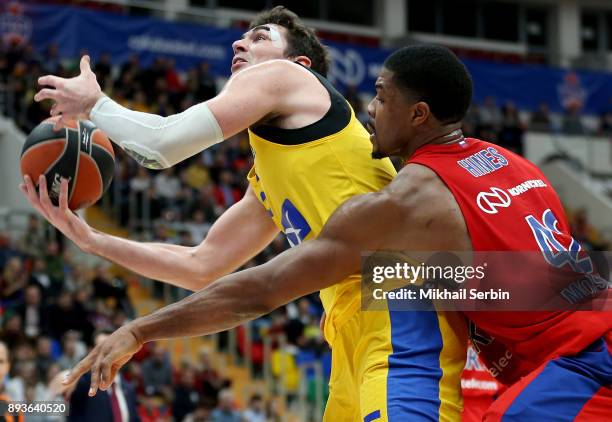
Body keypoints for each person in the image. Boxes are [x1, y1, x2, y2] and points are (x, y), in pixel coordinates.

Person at [58, 45, 611, 421]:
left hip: (579, 359)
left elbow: (259, 290)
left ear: (418, 115)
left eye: (381, 96)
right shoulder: (514, 164)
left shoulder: (406, 200)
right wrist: (93, 241)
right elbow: (511, 279)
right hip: (574, 341)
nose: (370, 108)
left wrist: (141, 329)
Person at [28, 7, 466, 421]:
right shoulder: (272, 166)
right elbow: (203, 266)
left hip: (400, 301)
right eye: (240, 37)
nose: (240, 44)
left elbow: (160, 147)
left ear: (300, 64)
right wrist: (91, 240)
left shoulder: (284, 76)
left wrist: (95, 105)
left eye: (259, 38)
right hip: (348, 322)